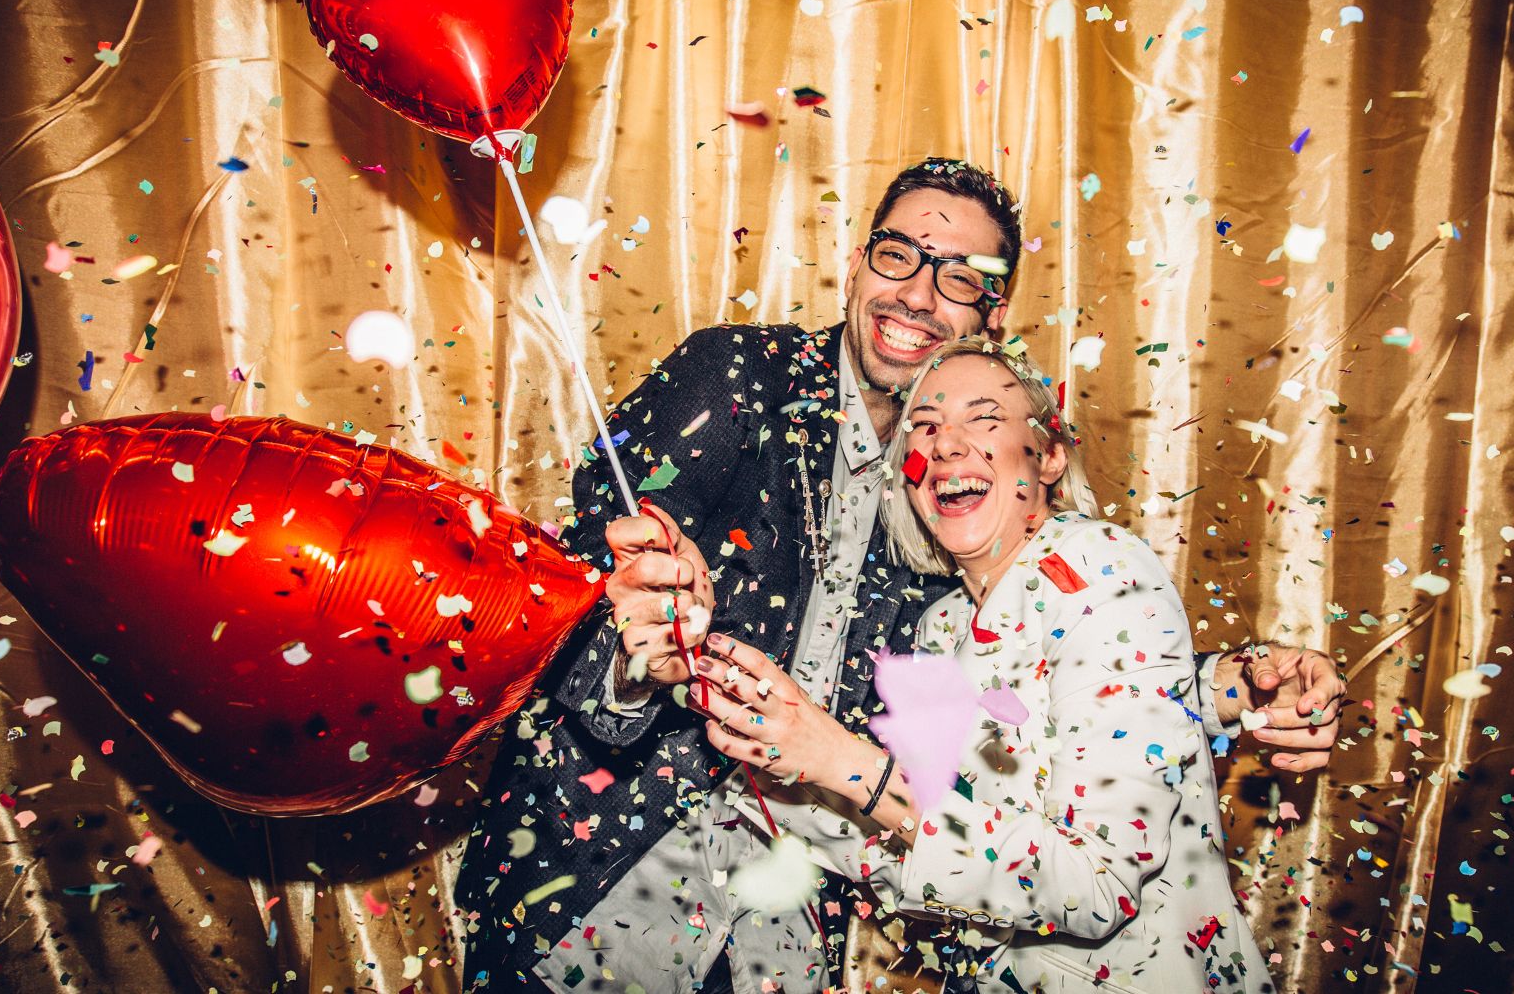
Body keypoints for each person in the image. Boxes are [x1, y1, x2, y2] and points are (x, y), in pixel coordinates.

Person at [459, 159, 1342, 992]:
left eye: (959, 277)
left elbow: (1033, 697)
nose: (917, 294)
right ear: (856, 262)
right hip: (600, 881)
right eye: (899, 256)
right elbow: (567, 591)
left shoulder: (953, 508)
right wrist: (628, 660)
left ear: (990, 313)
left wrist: (1238, 689)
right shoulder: (736, 377)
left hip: (784, 921)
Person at [692, 338, 1272, 992]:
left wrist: (841, 761)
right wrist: (758, 764)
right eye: (927, 427)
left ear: (1049, 455)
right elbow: (944, 859)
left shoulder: (1101, 566)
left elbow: (1097, 884)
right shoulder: (942, 629)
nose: (944, 444)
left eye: (984, 417)